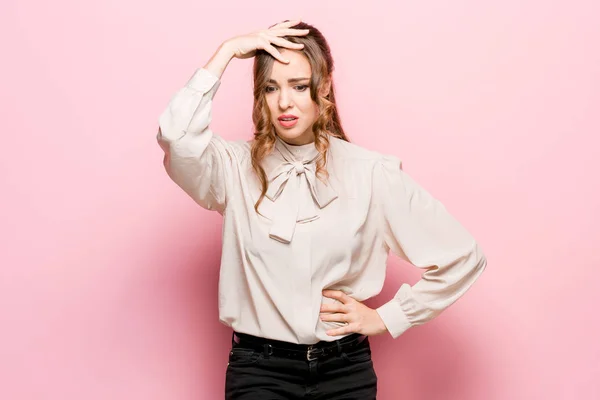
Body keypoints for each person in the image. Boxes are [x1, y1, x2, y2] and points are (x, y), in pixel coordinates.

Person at [156, 19, 487, 400]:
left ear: (324, 85)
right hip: (259, 371)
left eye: (299, 86)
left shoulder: (370, 173)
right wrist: (227, 51)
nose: (284, 102)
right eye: (271, 87)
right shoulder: (232, 167)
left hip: (345, 372)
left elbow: (463, 256)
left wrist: (386, 318)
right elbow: (175, 136)